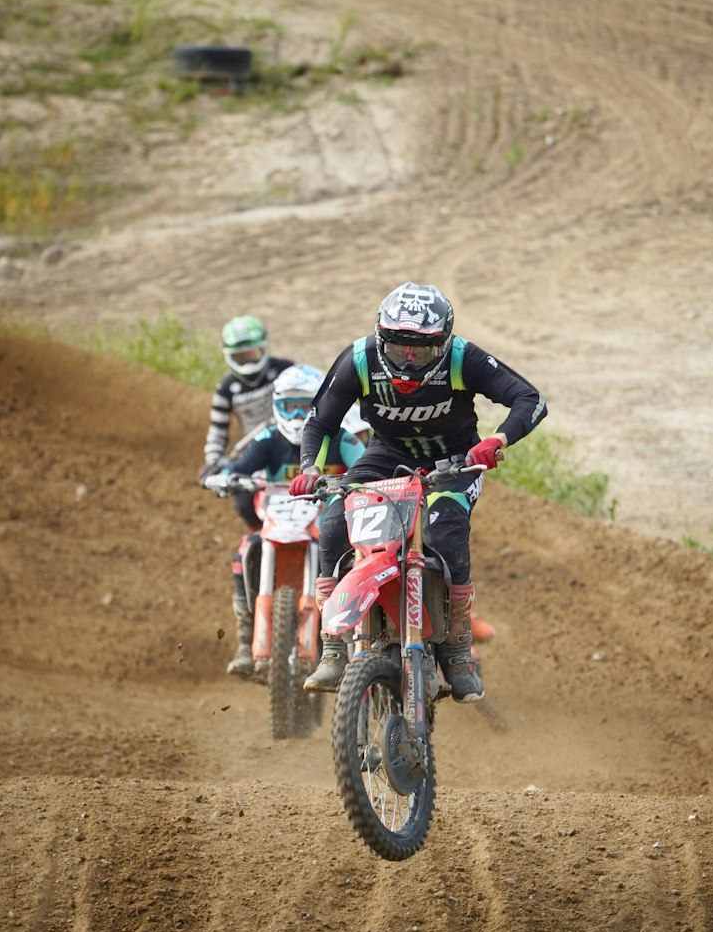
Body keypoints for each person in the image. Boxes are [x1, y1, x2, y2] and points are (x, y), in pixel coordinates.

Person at [289, 281, 547, 700]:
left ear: (443, 343)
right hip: (386, 455)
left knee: (445, 533)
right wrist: (309, 469)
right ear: (380, 337)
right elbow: (320, 422)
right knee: (335, 521)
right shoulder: (360, 358)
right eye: (397, 346)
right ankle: (333, 648)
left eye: (421, 348)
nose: (408, 357)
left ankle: (458, 649)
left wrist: (497, 441)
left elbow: (529, 398)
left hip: (456, 461)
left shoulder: (464, 357)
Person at [207, 364, 365, 677]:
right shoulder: (268, 437)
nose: (295, 416)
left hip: (329, 524)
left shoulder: (340, 438)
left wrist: (361, 480)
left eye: (303, 407)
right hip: (279, 523)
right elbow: (238, 467)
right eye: (288, 407)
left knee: (356, 562)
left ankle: (358, 642)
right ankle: (243, 640)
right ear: (276, 407)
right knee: (243, 551)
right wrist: (224, 478)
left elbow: (365, 464)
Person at [198, 315, 294, 532]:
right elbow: (217, 431)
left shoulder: (285, 370)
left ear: (263, 348)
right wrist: (213, 460)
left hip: (294, 442)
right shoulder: (226, 389)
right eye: (240, 356)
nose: (248, 360)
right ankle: (262, 536)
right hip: (257, 452)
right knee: (243, 502)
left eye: (252, 353)